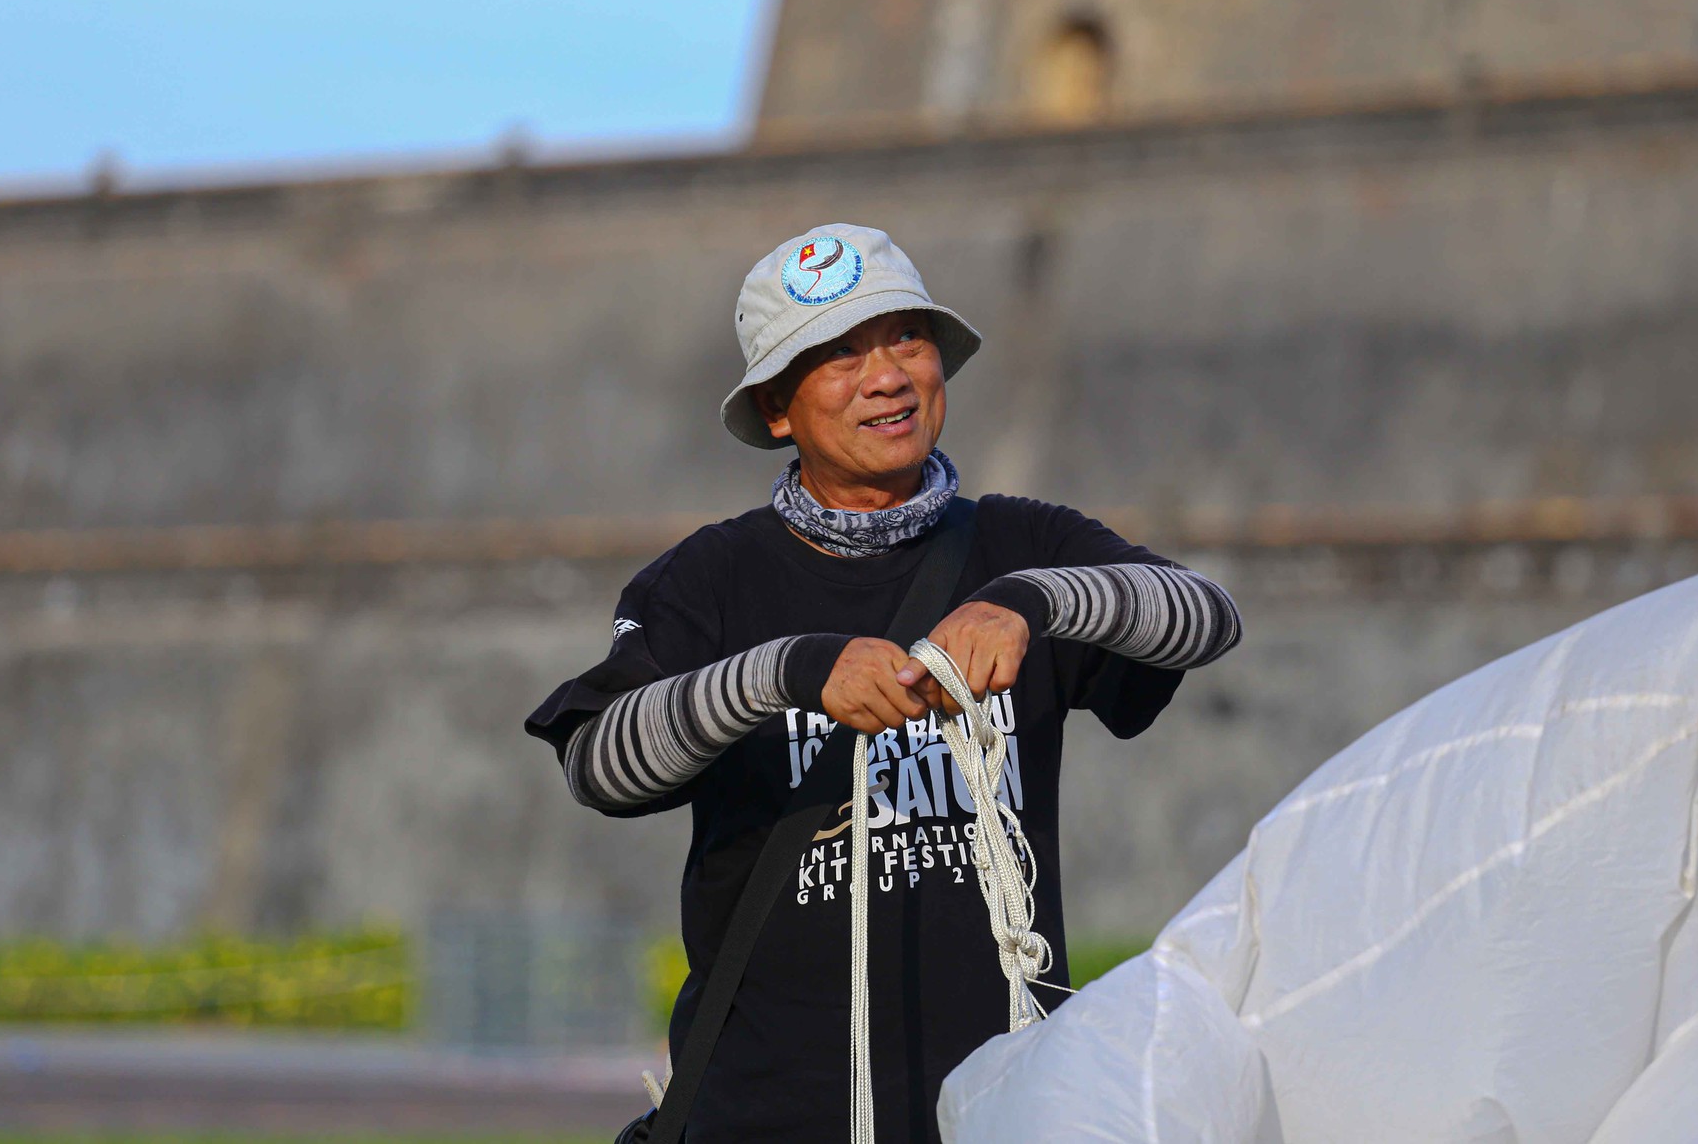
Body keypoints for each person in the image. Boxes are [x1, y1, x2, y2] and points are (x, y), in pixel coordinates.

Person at [525, 223, 1242, 1144]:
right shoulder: (709, 579)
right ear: (778, 411)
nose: (888, 376)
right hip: (761, 1116)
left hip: (1001, 1112)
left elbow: (1206, 613)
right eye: (837, 356)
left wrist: (1029, 603)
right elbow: (600, 762)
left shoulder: (1024, 543)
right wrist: (791, 670)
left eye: (906, 338)